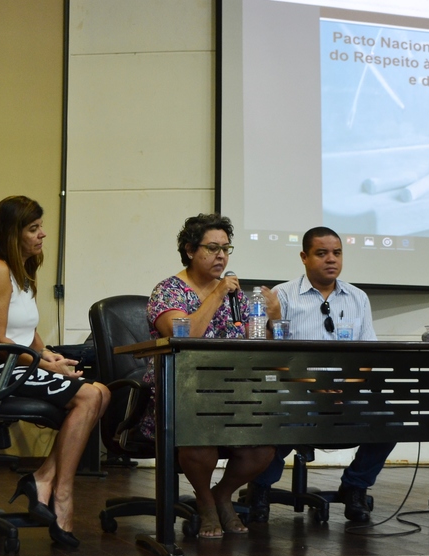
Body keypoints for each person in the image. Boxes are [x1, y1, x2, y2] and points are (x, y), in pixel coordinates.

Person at [0, 195, 110, 548]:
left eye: (41, 227)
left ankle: (42, 478)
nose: (42, 235)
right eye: (33, 228)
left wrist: (49, 356)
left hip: (9, 363)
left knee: (101, 393)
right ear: (13, 234)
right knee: (88, 395)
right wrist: (42, 363)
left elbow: (26, 332)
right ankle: (62, 494)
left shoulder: (20, 273)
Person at [245, 226, 396, 523]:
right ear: (304, 256)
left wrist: (345, 386)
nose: (331, 260)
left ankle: (355, 487)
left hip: (345, 393)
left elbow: (368, 356)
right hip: (296, 390)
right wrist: (313, 386)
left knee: (390, 418)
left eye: (337, 253)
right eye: (322, 253)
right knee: (277, 414)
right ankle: (260, 488)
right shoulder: (282, 295)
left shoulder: (357, 297)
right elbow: (272, 356)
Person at [142, 213, 275, 539]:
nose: (221, 256)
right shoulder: (169, 291)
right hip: (181, 392)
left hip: (232, 391)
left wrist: (273, 318)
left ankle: (221, 494)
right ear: (189, 250)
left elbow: (259, 346)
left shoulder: (236, 297)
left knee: (265, 443)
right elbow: (181, 337)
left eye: (226, 248)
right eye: (212, 248)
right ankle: (204, 501)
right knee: (198, 431)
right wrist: (215, 294)